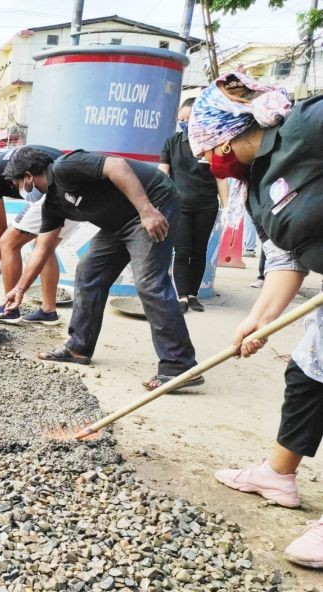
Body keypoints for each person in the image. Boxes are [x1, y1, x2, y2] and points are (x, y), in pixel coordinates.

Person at [188, 72, 323, 569]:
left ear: (228, 134)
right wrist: (257, 323)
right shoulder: (258, 188)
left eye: (209, 152)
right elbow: (287, 260)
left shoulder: (308, 126)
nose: (210, 163)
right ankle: (277, 474)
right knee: (310, 369)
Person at [0, 149, 201, 391]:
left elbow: (117, 166)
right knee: (88, 272)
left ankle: (179, 365)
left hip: (152, 202)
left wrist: (147, 211)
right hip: (118, 223)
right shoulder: (52, 204)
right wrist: (19, 289)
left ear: (29, 177)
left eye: (17, 183)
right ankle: (78, 347)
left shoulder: (66, 166)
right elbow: (42, 248)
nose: (19, 190)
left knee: (150, 283)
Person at [0, 145, 82, 325]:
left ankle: (10, 309)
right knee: (45, 248)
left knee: (9, 242)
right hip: (73, 194)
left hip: (56, 193)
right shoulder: (9, 157)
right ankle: (48, 311)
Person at [159, 97, 229, 313]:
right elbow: (163, 173)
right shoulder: (173, 142)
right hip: (179, 207)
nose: (184, 123)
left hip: (206, 206)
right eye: (181, 119)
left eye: (188, 119)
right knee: (181, 251)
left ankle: (193, 294)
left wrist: (227, 208)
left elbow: (220, 178)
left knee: (199, 251)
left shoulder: (212, 143)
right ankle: (181, 297)